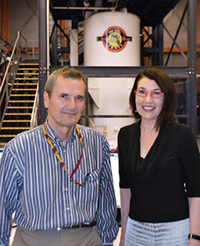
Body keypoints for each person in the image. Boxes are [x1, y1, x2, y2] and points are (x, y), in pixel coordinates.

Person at [0, 66, 118, 246]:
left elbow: (106, 201)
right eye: (64, 96)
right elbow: (3, 207)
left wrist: (107, 241)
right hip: (34, 240)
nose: (72, 106)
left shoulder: (96, 144)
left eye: (78, 98)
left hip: (86, 239)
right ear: (46, 99)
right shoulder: (19, 148)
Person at [118, 67, 200, 246]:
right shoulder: (125, 135)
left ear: (166, 97)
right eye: (142, 92)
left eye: (156, 93)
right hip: (136, 232)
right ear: (134, 95)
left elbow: (196, 192)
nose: (148, 100)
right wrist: (124, 234)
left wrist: (195, 237)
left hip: (175, 232)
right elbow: (125, 189)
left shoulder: (183, 135)